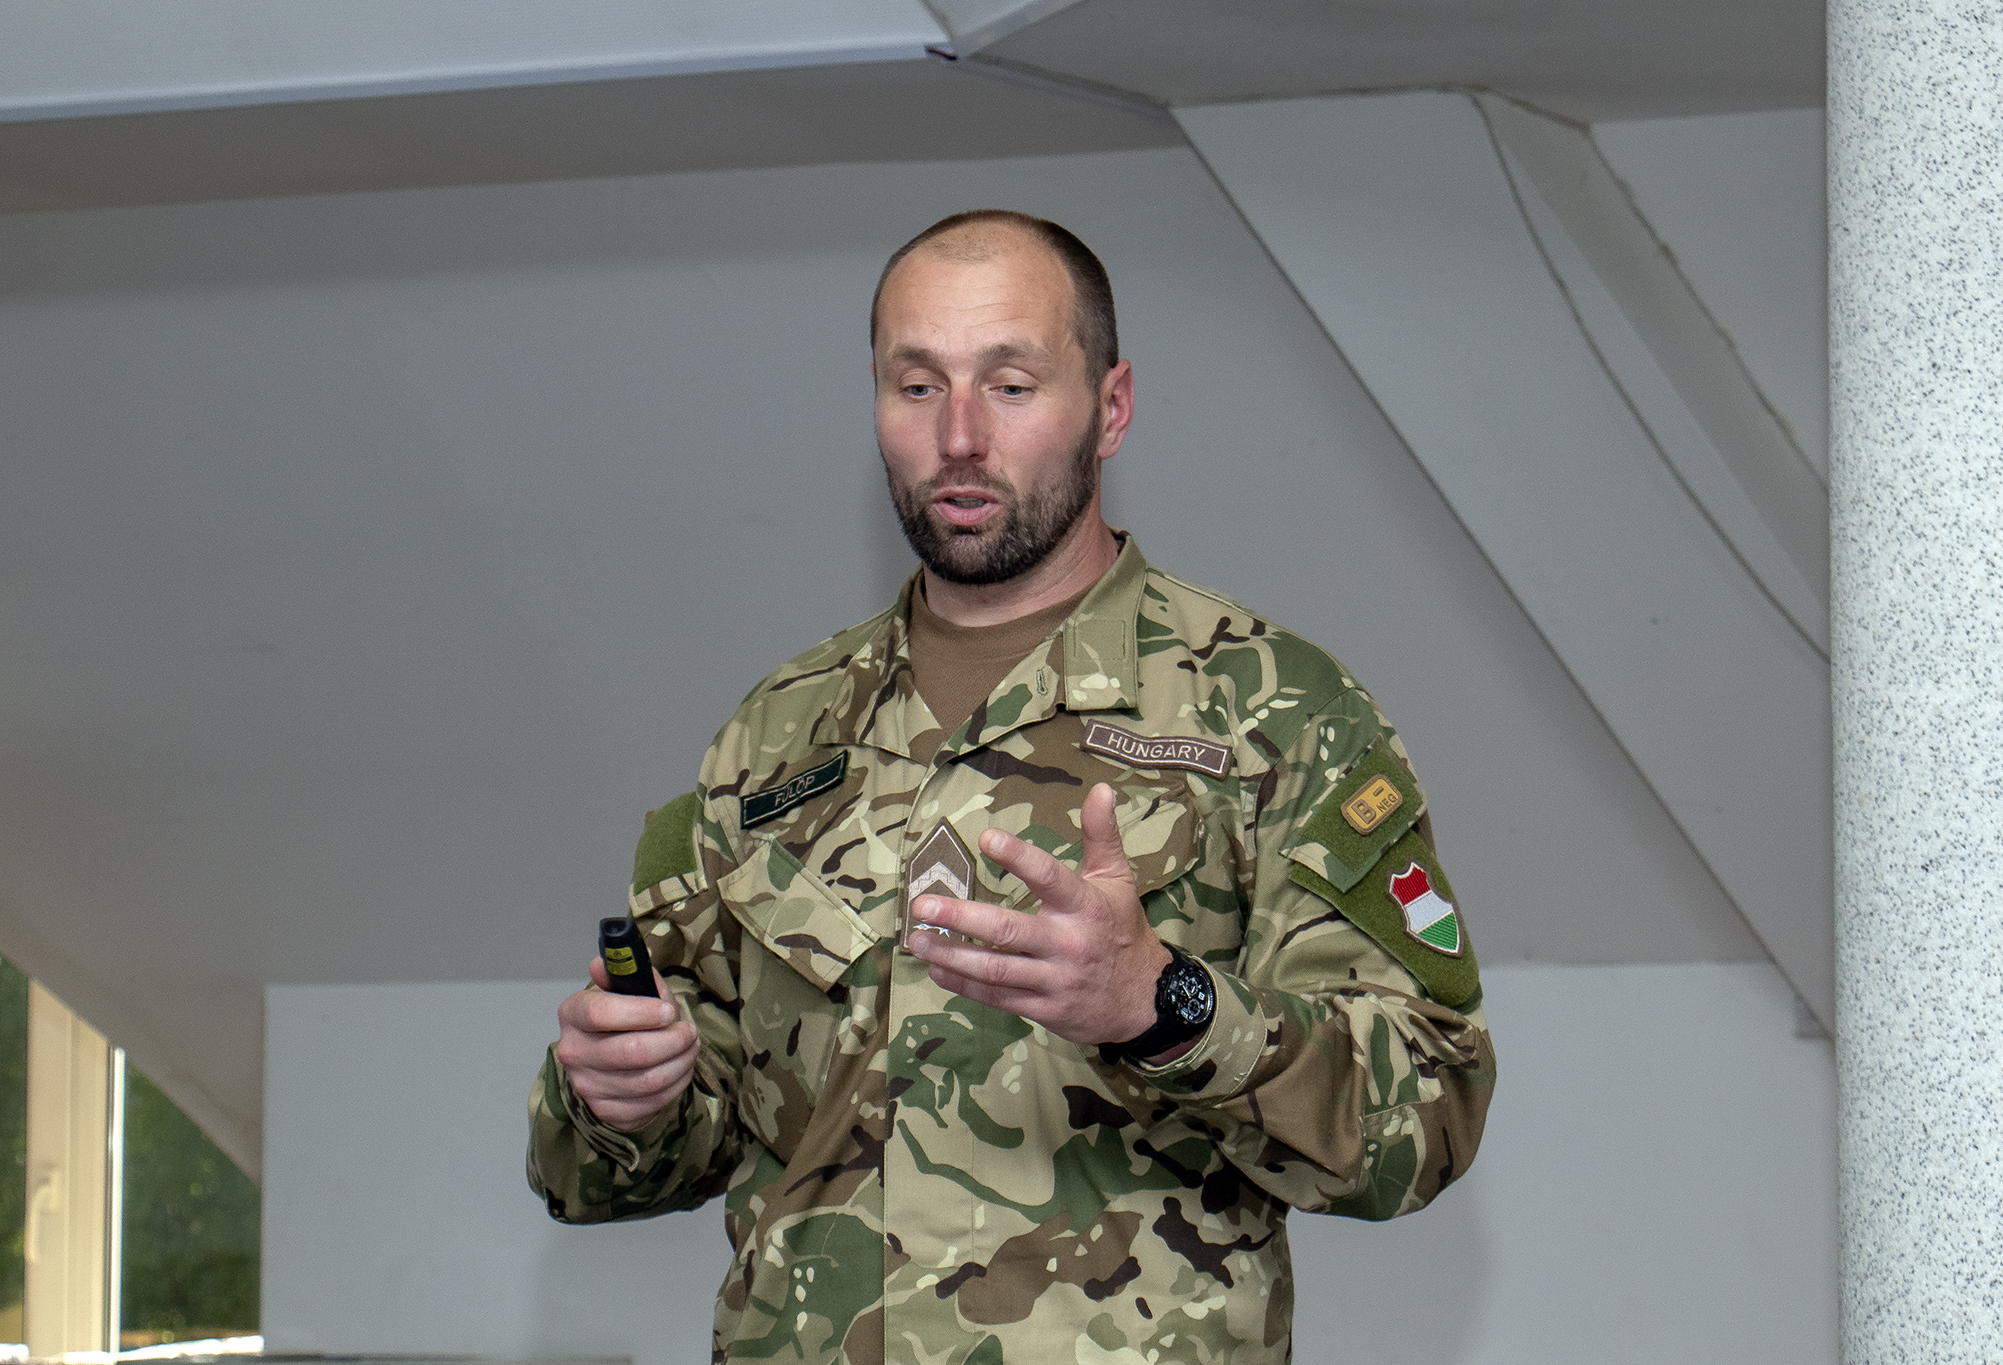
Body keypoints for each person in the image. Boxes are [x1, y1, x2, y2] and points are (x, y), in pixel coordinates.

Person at [528, 210, 1495, 1365]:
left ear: (1111, 407)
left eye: (1011, 384)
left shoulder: (1271, 710)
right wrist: (619, 1096)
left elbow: (1425, 1112)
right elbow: (629, 1159)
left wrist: (1164, 1005)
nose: (959, 436)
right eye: (917, 386)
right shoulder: (772, 736)